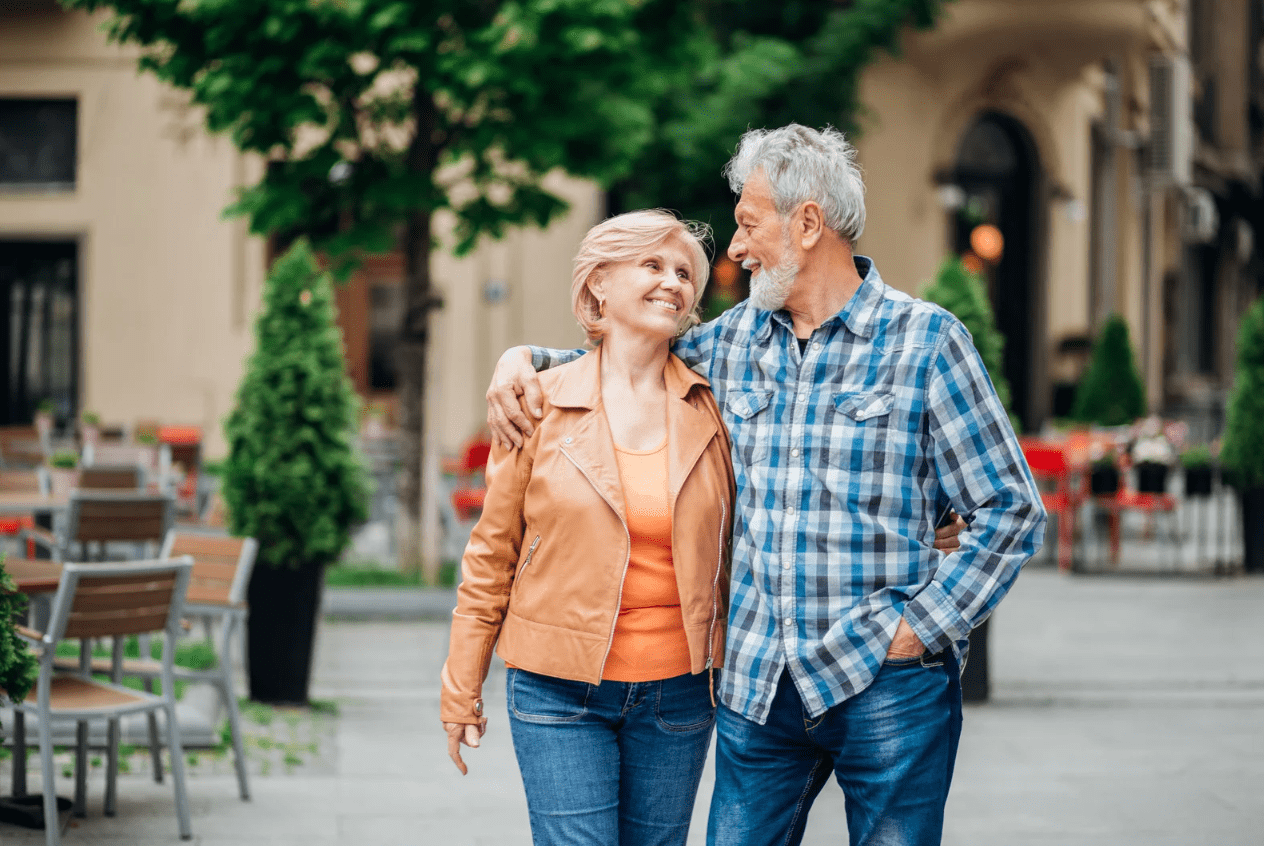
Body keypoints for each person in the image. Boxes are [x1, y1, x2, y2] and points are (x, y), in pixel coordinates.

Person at [486, 124, 1046, 846]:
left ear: (808, 224)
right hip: (758, 686)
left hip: (886, 682)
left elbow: (1009, 509)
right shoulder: (729, 343)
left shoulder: (927, 342)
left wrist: (922, 629)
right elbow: (615, 357)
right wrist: (520, 360)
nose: (738, 248)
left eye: (749, 225)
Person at [441, 210, 736, 846]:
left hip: (680, 694)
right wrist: (461, 684)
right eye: (652, 265)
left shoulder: (713, 406)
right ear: (599, 282)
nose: (674, 283)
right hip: (557, 690)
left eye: (684, 273)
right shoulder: (537, 402)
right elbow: (492, 556)